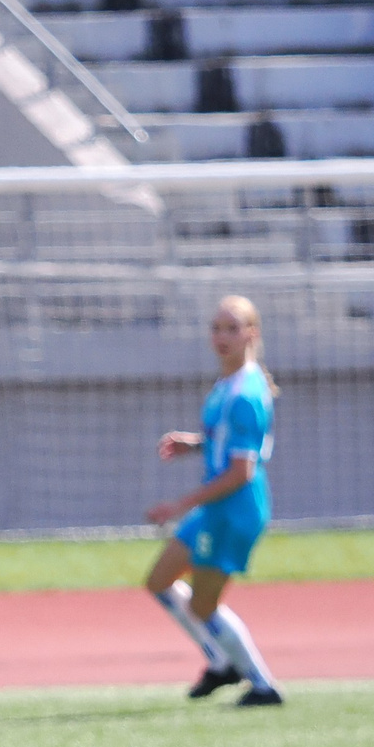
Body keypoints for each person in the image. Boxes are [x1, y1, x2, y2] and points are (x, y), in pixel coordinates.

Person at [143, 294, 285, 708]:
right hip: (217, 506)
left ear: (251, 334)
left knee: (203, 605)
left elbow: (242, 471)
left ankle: (262, 685)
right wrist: (194, 445)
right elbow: (227, 444)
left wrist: (180, 504)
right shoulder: (229, 383)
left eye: (232, 328)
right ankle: (221, 662)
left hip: (234, 509)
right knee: (159, 581)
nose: (222, 337)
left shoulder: (245, 394)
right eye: (217, 328)